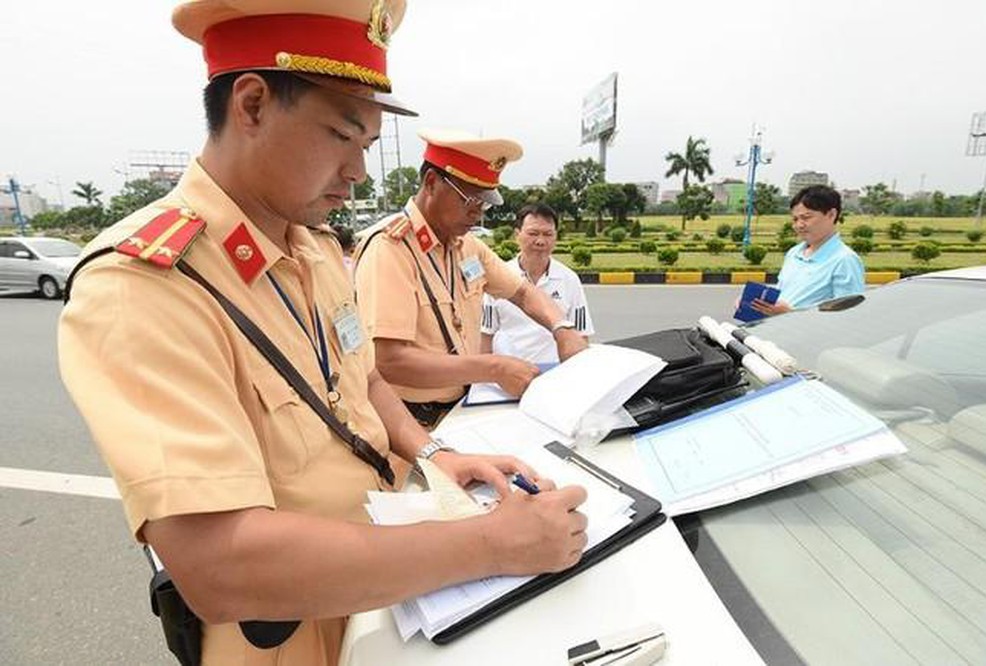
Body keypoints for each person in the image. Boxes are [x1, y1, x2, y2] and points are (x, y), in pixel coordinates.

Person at [57, 2, 587, 664]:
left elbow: (362, 377)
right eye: (343, 137)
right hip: (288, 632)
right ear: (250, 106)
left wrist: (431, 456)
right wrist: (494, 544)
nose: (360, 173)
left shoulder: (310, 248)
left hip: (389, 569)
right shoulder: (144, 286)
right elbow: (220, 566)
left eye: (366, 146)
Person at [353, 129, 589, 427]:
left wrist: (563, 328)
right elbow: (389, 361)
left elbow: (523, 293)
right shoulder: (391, 250)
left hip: (457, 412)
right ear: (431, 183)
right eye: (470, 200)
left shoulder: (467, 247)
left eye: (484, 203)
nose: (477, 214)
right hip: (408, 423)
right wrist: (493, 368)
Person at [481, 203, 594, 364]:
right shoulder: (500, 276)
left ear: (556, 236)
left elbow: (581, 335)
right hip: (509, 373)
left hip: (554, 373)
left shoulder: (569, 279)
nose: (540, 241)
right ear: (517, 234)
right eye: (533, 233)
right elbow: (486, 334)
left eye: (548, 234)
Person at [752, 184, 865, 316]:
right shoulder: (794, 253)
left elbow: (848, 316)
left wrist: (789, 313)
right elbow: (782, 295)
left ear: (831, 215)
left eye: (806, 217)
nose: (799, 225)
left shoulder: (845, 260)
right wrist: (757, 303)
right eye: (795, 219)